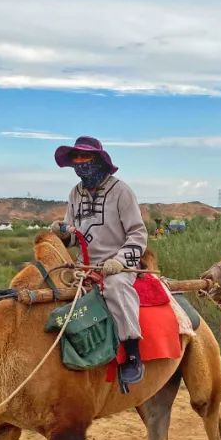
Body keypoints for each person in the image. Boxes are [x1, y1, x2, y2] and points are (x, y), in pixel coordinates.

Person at [52, 136, 147, 387]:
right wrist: (63, 234)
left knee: (116, 288)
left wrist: (119, 260)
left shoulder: (121, 191)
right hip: (83, 267)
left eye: (86, 157)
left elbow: (138, 234)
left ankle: (133, 353)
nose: (81, 163)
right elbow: (75, 237)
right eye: (77, 158)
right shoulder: (75, 193)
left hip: (119, 266)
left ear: (99, 160)